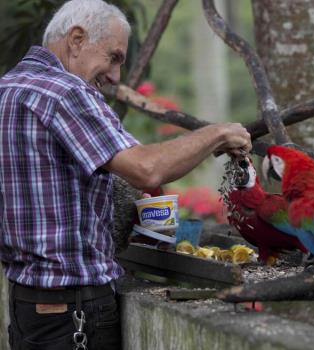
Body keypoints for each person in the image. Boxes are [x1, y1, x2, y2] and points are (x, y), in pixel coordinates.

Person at [0, 0, 251, 349]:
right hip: (75, 312)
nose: (116, 75)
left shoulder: (8, 89)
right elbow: (147, 169)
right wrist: (217, 134)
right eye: (114, 57)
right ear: (75, 39)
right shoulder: (65, 91)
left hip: (27, 307)